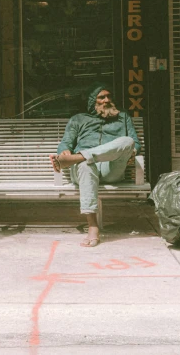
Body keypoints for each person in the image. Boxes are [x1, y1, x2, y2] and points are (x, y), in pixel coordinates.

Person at [49, 84, 141, 247]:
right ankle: (92, 226)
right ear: (93, 101)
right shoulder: (78, 119)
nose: (107, 100)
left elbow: (135, 143)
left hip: (110, 168)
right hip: (84, 170)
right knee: (85, 164)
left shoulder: (123, 117)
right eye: (102, 97)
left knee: (128, 141)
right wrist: (64, 152)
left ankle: (79, 157)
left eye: (109, 96)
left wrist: (132, 152)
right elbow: (65, 143)